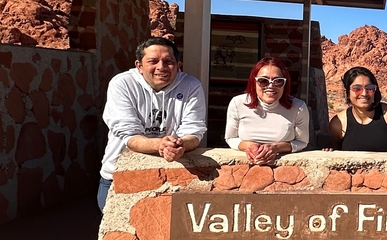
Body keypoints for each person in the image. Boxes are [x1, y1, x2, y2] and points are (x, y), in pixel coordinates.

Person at [99, 37, 207, 209]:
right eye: (153, 61)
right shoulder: (122, 84)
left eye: (168, 61)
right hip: (120, 175)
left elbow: (194, 131)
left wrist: (180, 145)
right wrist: (161, 145)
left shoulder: (191, 86)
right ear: (139, 66)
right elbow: (128, 134)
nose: (161, 67)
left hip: (171, 175)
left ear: (178, 65)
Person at [225, 56, 310, 164]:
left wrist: (276, 148)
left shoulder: (298, 108)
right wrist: (250, 147)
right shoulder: (238, 103)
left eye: (278, 81)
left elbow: (302, 142)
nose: (270, 86)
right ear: (254, 82)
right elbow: (230, 138)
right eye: (263, 81)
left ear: (285, 84)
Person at [328, 66, 387, 152]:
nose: (364, 93)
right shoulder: (338, 123)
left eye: (370, 88)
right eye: (357, 89)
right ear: (347, 91)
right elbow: (335, 152)